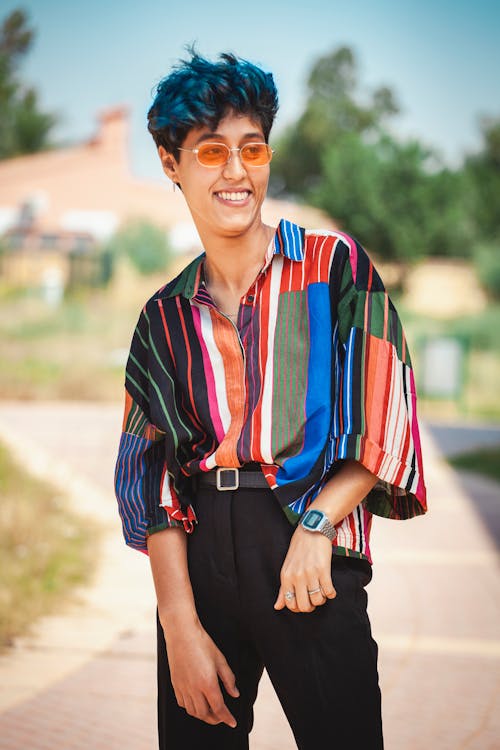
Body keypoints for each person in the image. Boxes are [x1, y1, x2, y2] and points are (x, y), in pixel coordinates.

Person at [114, 49, 427, 750]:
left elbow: (382, 415)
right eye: (211, 152)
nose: (235, 171)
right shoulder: (160, 319)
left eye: (251, 150)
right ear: (172, 163)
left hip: (307, 554)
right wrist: (179, 627)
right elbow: (150, 476)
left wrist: (317, 526)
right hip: (200, 562)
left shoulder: (335, 267)